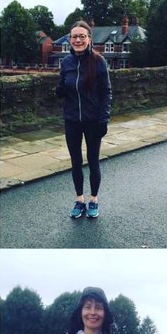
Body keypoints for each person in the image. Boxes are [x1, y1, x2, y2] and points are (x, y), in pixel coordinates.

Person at [56, 22, 111, 220]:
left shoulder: (99, 62)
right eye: (74, 37)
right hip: (71, 120)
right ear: (70, 39)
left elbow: (106, 92)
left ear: (89, 39)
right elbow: (62, 88)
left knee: (93, 161)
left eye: (82, 36)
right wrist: (59, 88)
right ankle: (79, 200)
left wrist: (103, 119)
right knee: (76, 162)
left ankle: (93, 199)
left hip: (93, 121)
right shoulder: (67, 63)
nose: (78, 40)